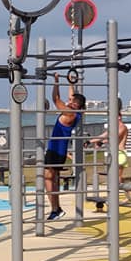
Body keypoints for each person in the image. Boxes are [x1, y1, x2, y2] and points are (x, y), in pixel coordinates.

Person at [43, 73, 84, 220]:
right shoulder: (77, 112)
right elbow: (71, 96)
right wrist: (71, 83)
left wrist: (55, 82)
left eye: (71, 101)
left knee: (47, 178)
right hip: (59, 149)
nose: (69, 101)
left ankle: (55, 209)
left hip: (56, 149)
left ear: (75, 105)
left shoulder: (70, 112)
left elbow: (55, 99)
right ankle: (56, 208)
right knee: (52, 178)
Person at [89, 98, 131, 193]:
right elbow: (103, 135)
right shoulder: (113, 127)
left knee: (116, 176)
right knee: (116, 176)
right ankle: (128, 194)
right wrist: (90, 141)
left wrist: (102, 142)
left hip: (120, 154)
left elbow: (114, 137)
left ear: (119, 117)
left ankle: (116, 195)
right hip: (113, 154)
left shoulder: (123, 127)